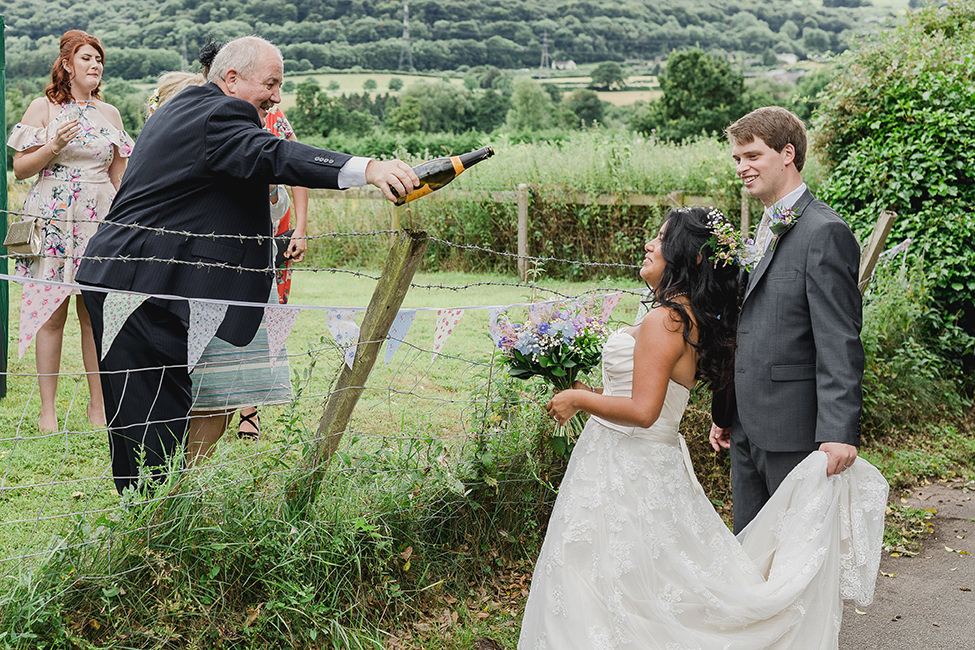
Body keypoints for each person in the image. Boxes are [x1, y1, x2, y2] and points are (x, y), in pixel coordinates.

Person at [519, 207, 887, 649]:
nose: (649, 244)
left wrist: (579, 401)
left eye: (660, 239)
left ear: (690, 257)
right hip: (635, 458)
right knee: (633, 574)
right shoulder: (680, 314)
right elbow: (641, 391)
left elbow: (642, 411)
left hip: (628, 461)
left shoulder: (666, 319)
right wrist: (588, 390)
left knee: (607, 569)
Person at [75, 36, 418, 494]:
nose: (276, 96)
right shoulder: (219, 113)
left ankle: (152, 525)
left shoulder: (189, 106)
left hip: (137, 279)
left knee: (153, 412)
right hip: (139, 285)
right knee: (150, 421)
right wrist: (367, 169)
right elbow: (274, 155)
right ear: (232, 79)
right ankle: (147, 535)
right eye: (271, 83)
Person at [709, 106, 865, 533]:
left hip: (796, 431)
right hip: (744, 425)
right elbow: (746, 325)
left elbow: (839, 339)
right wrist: (725, 409)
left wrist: (838, 430)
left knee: (796, 560)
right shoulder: (761, 228)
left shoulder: (824, 232)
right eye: (737, 159)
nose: (741, 167)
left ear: (788, 153)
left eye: (752, 156)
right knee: (750, 556)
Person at [7, 29, 133, 433]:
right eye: (86, 59)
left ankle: (99, 407)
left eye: (99, 60)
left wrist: (132, 220)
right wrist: (52, 146)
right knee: (51, 316)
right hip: (53, 217)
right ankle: (48, 410)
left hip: (98, 220)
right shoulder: (42, 108)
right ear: (66, 65)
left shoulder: (109, 114)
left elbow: (120, 177)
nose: (94, 65)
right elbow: (22, 169)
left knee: (94, 315)